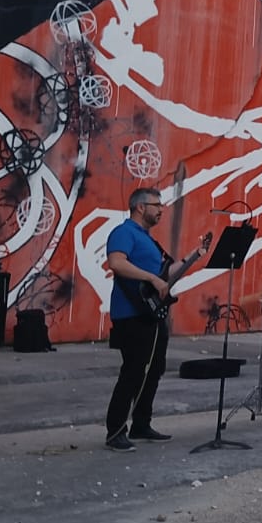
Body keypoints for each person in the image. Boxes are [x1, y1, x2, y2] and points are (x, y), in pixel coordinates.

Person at [102, 189, 208, 451]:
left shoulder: (148, 240)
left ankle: (141, 424)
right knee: (133, 371)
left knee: (154, 371)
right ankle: (115, 431)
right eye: (156, 205)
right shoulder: (124, 232)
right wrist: (151, 278)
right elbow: (116, 262)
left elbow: (165, 276)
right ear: (140, 207)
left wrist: (193, 256)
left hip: (151, 313)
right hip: (131, 314)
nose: (161, 209)